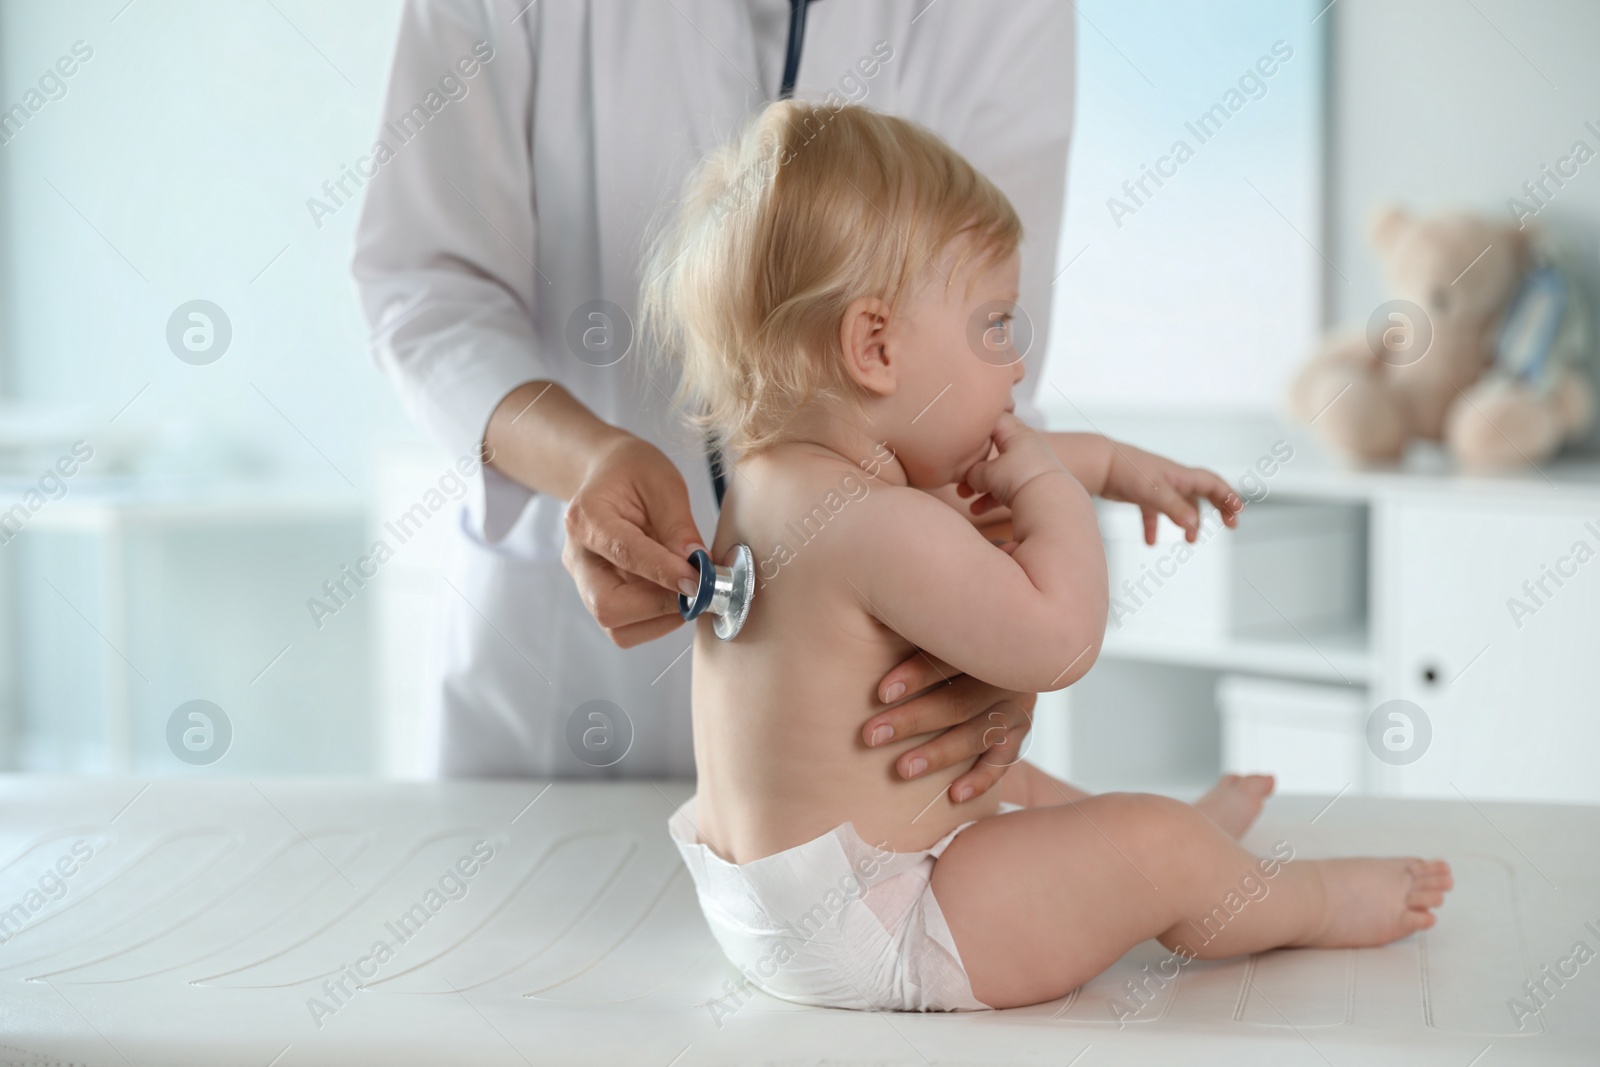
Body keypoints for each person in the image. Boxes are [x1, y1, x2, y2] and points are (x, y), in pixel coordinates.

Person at [655, 99, 1454, 1012]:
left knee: (1006, 781)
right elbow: (1060, 640)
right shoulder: (875, 523)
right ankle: (1303, 898)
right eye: (995, 327)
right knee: (1152, 846)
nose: (1016, 370)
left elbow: (949, 495)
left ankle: (1191, 841)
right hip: (879, 922)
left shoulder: (778, 485)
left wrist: (1109, 464)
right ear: (876, 347)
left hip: (768, 905)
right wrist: (1049, 487)